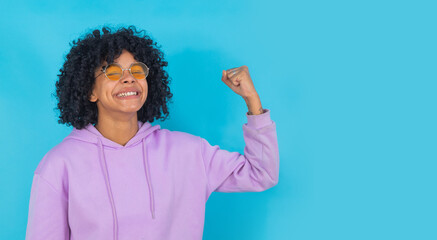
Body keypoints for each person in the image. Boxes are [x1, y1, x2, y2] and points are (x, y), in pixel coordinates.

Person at [25, 25, 279, 240]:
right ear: (89, 91)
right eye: (112, 72)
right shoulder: (59, 165)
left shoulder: (189, 152)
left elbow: (261, 174)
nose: (129, 79)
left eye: (137, 71)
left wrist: (252, 101)